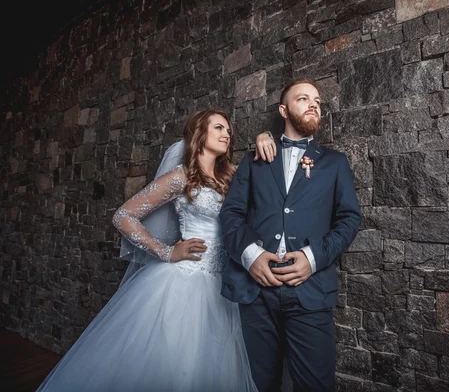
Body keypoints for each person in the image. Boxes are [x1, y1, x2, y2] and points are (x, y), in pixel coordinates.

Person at [38, 110, 276, 392]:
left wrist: (267, 136)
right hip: (185, 284)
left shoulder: (233, 175)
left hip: (223, 285)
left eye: (229, 130)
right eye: (219, 128)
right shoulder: (181, 177)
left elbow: (268, 184)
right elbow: (123, 215)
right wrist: (165, 252)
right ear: (200, 134)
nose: (227, 134)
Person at [220, 78, 362, 391]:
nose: (314, 104)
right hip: (256, 293)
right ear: (284, 110)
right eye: (303, 99)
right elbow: (230, 215)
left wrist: (313, 258)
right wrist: (251, 256)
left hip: (310, 292)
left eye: (318, 101)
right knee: (259, 384)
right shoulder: (254, 160)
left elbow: (350, 219)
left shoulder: (335, 163)